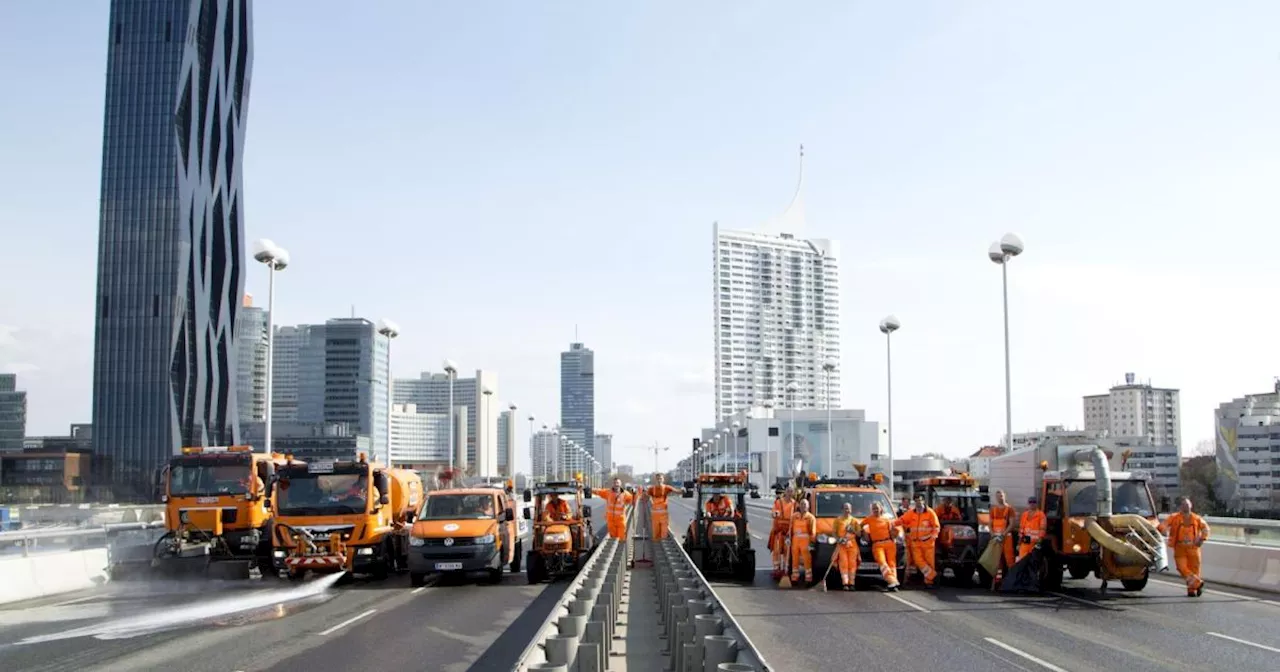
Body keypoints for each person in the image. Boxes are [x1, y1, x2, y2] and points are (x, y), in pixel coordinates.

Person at [1159, 496, 1210, 597]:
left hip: (1193, 549)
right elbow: (1163, 525)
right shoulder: (1174, 517)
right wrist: (1164, 530)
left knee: (1194, 570)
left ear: (1191, 506)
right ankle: (1197, 584)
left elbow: (1206, 529)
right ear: (1180, 507)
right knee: (1181, 568)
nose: (1185, 506)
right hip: (1179, 548)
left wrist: (1201, 539)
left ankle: (1192, 590)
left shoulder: (1197, 519)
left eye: (1187, 504)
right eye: (1183, 505)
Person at [898, 494, 939, 588]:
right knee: (918, 561)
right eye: (916, 501)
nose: (918, 502)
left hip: (928, 542)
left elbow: (936, 526)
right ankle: (933, 575)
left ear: (923, 501)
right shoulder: (912, 513)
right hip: (916, 542)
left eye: (919, 500)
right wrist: (891, 523)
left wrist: (933, 537)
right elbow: (902, 519)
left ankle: (929, 581)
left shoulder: (930, 513)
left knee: (929, 562)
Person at [862, 501, 901, 591]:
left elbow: (893, 530)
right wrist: (864, 534)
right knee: (882, 563)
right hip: (877, 544)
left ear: (881, 509)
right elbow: (859, 526)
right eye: (874, 508)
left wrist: (895, 535)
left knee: (892, 563)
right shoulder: (869, 519)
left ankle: (893, 584)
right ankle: (892, 581)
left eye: (877, 508)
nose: (875, 510)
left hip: (889, 543)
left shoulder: (886, 519)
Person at [988, 490, 1017, 580]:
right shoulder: (994, 510)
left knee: (1009, 559)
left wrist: (1003, 535)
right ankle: (997, 581)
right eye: (998, 496)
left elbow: (1011, 524)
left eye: (1001, 496)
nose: (1000, 498)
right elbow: (990, 524)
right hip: (996, 538)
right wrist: (992, 534)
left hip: (1006, 538)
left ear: (1005, 496)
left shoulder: (1010, 509)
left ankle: (1011, 580)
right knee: (997, 559)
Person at [789, 499, 817, 586]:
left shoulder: (810, 517)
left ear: (808, 506)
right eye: (801, 504)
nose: (803, 506)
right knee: (795, 560)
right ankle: (794, 578)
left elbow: (813, 532)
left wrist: (812, 543)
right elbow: (790, 528)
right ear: (799, 506)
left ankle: (808, 579)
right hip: (795, 541)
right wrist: (788, 537)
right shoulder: (794, 516)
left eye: (805, 504)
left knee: (807, 560)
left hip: (806, 541)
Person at [833, 502, 861, 591]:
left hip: (852, 544)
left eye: (848, 508)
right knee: (843, 563)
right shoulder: (838, 520)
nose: (847, 510)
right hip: (842, 544)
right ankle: (845, 583)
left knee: (852, 564)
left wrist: (852, 530)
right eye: (845, 508)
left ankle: (852, 583)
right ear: (842, 510)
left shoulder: (855, 521)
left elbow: (859, 534)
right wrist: (838, 539)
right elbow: (834, 532)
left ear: (851, 510)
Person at [769, 487, 796, 576]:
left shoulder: (795, 504)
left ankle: (785, 569)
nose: (789, 493)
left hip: (788, 532)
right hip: (779, 531)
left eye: (791, 491)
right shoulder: (779, 502)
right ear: (785, 492)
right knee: (777, 550)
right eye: (788, 491)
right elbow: (773, 512)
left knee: (786, 551)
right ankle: (777, 569)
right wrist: (775, 513)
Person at [646, 474, 678, 539]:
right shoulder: (651, 489)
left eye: (660, 479)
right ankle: (656, 545)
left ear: (663, 479)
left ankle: (663, 541)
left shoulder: (667, 488)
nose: (659, 480)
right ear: (656, 480)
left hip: (664, 516)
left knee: (664, 534)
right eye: (658, 479)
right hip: (655, 516)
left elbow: (677, 491)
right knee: (656, 534)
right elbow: (645, 496)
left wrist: (683, 491)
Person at [1017, 496, 1047, 562]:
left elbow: (1043, 530)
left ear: (1036, 503)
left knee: (1033, 563)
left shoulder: (1041, 515)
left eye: (1034, 502)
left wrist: (1038, 543)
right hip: (1025, 543)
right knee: (1021, 562)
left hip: (1034, 544)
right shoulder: (1024, 514)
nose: (1032, 503)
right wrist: (1019, 543)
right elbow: (1021, 530)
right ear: (1028, 503)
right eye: (1030, 502)